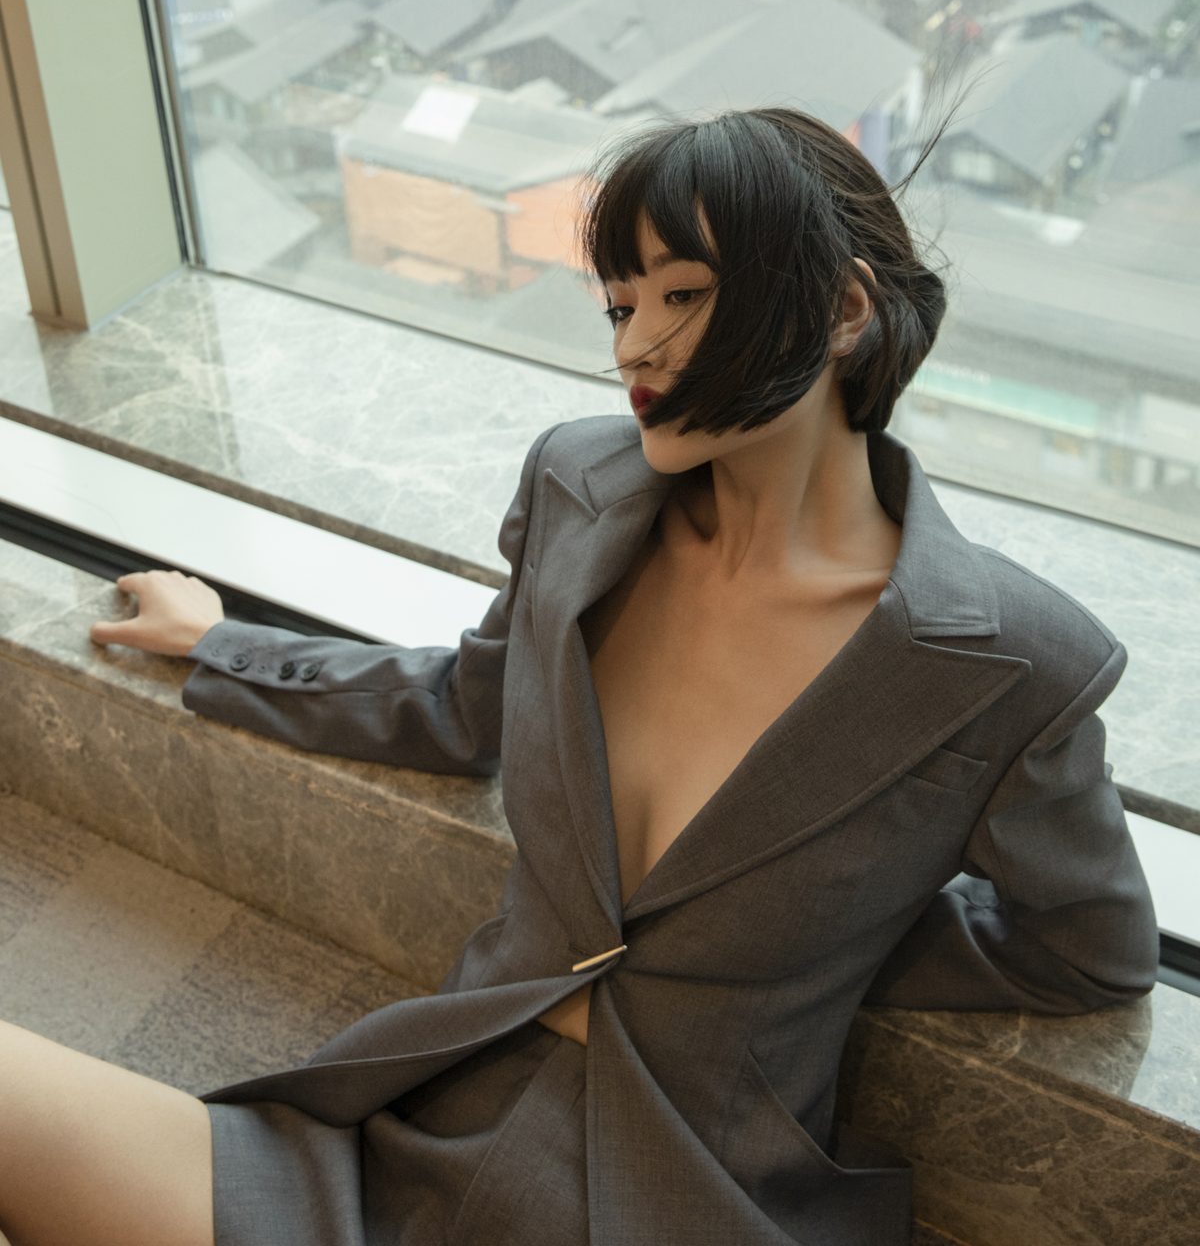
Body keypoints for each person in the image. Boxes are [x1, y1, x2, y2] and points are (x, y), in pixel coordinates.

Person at [1, 104, 1158, 1246]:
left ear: (844, 309)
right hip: (412, 1127)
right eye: (620, 302)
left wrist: (829, 940)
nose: (634, 347)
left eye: (683, 295)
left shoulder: (1011, 660)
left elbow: (1086, 953)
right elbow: (465, 709)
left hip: (687, 1192)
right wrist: (223, 644)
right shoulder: (579, 489)